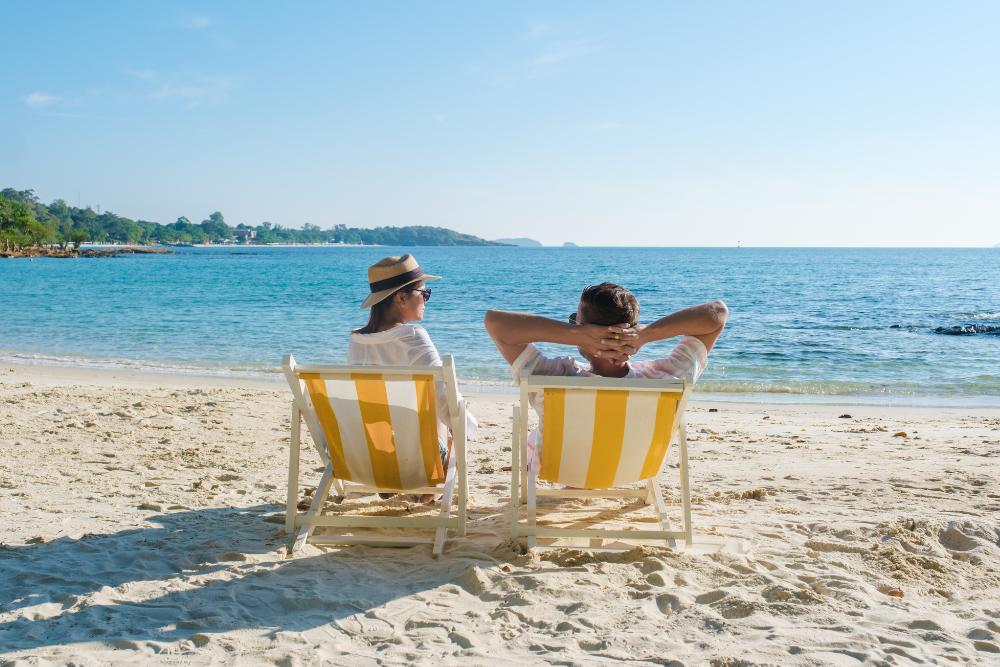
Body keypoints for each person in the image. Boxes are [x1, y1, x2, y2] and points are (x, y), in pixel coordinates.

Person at [484, 282, 728, 469]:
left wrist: (574, 334)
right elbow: (717, 314)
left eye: (575, 322)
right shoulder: (665, 378)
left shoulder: (555, 376)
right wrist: (646, 334)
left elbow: (495, 322)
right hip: (634, 469)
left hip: (559, 468)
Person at [348, 253, 478, 500]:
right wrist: (468, 423)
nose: (427, 300)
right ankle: (428, 490)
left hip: (367, 455)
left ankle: (394, 480)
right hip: (415, 458)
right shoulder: (413, 337)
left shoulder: (356, 341)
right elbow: (444, 399)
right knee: (454, 418)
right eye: (424, 293)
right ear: (401, 297)